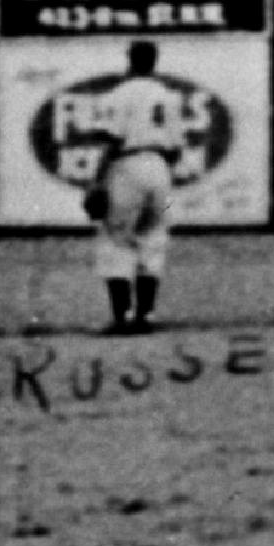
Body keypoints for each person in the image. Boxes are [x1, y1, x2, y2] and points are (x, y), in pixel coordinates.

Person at [85, 39, 197, 337]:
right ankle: (146, 315)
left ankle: (121, 318)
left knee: (116, 239)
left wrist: (97, 181)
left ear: (130, 60)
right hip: (160, 169)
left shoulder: (118, 95)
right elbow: (176, 150)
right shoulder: (169, 97)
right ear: (154, 61)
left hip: (127, 166)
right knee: (154, 236)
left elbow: (113, 140)